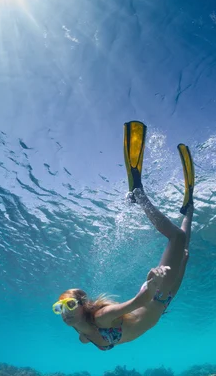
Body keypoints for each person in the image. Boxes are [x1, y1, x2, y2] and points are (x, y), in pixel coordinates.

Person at [52, 121, 194, 351]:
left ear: (82, 305)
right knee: (184, 248)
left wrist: (151, 283)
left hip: (155, 295)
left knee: (177, 239)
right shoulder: (81, 331)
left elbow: (138, 302)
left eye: (69, 305)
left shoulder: (101, 318)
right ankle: (190, 210)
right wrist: (181, 265)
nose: (65, 313)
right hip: (163, 301)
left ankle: (140, 197)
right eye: (59, 307)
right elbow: (90, 338)